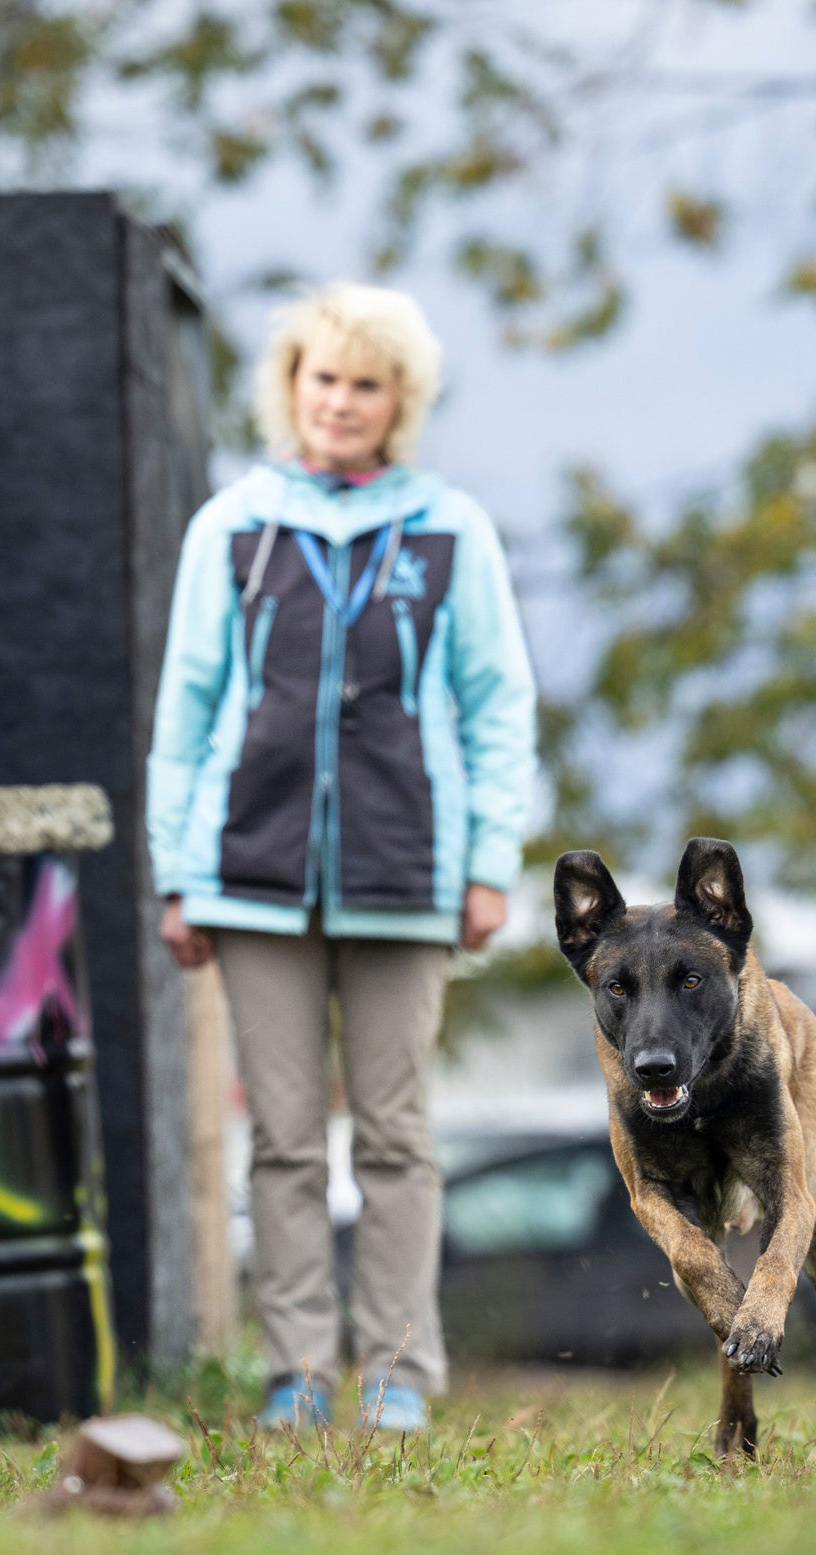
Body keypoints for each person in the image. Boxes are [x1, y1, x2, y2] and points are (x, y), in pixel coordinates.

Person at [146, 282, 538, 1431]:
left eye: (366, 384)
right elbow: (187, 705)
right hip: (252, 874)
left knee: (397, 1136)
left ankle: (400, 1373)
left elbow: (494, 701)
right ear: (292, 387)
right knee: (279, 1140)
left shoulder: (448, 530)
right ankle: (300, 1374)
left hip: (407, 876)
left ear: (398, 401)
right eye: (324, 378)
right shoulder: (232, 527)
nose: (341, 402)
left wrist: (486, 865)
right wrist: (179, 872)